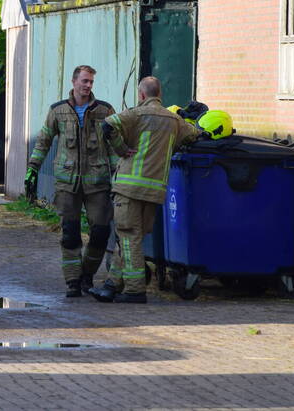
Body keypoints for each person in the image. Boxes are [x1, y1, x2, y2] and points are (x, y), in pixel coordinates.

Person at [92, 76, 201, 304]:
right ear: (159, 94)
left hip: (129, 187)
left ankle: (134, 290)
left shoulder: (136, 114)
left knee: (128, 237)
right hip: (154, 191)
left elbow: (108, 124)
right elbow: (193, 135)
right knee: (131, 239)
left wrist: (121, 149)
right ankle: (112, 285)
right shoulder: (173, 120)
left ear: (142, 95)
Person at [25, 65, 116, 297]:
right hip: (68, 183)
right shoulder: (57, 111)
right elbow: (43, 141)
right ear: (74, 82)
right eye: (84, 81)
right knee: (70, 233)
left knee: (101, 232)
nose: (88, 86)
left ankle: (87, 274)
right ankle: (73, 282)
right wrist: (32, 169)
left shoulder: (104, 111)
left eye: (91, 82)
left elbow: (116, 143)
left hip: (97, 182)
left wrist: (118, 173)